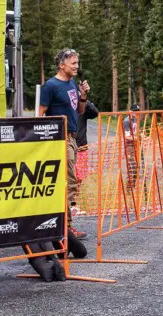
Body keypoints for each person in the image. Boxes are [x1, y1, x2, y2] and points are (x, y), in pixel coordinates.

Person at [39, 48, 90, 239]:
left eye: (77, 63)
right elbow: (40, 113)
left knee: (69, 183)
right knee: (69, 184)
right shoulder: (50, 86)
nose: (77, 66)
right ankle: (63, 228)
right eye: (73, 63)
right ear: (62, 65)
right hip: (59, 138)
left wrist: (83, 94)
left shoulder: (71, 84)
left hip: (73, 138)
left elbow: (79, 110)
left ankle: (65, 226)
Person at [73, 99, 99, 216]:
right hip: (67, 146)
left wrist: (85, 100)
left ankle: (74, 203)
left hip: (82, 147)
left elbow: (95, 113)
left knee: (79, 178)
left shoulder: (82, 108)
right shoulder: (65, 105)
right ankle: (66, 204)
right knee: (68, 178)